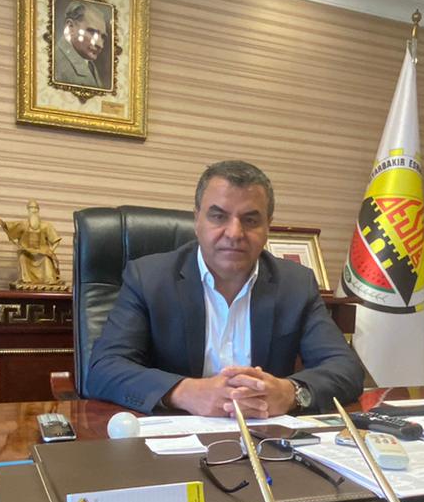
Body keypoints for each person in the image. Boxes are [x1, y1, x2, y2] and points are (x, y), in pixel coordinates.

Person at [86, 160, 365, 417]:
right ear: (197, 220)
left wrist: (291, 393)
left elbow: (345, 368)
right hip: (175, 437)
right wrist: (186, 392)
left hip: (263, 437)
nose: (234, 233)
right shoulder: (149, 278)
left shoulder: (296, 284)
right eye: (218, 217)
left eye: (250, 220)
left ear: (268, 227)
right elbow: (104, 369)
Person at [53, 0, 110, 90]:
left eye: (103, 37)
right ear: (70, 27)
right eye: (92, 32)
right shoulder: (56, 63)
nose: (100, 45)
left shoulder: (88, 63)